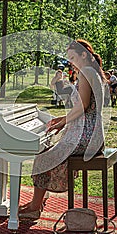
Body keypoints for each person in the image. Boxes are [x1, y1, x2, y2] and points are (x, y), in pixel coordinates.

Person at [19, 39, 106, 218]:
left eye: (73, 57)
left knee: (43, 157)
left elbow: (82, 105)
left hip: (87, 136)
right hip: (94, 134)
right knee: (46, 154)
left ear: (84, 54)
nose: (71, 62)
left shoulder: (86, 72)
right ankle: (37, 202)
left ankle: (35, 207)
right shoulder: (93, 71)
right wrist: (62, 119)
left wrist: (64, 122)